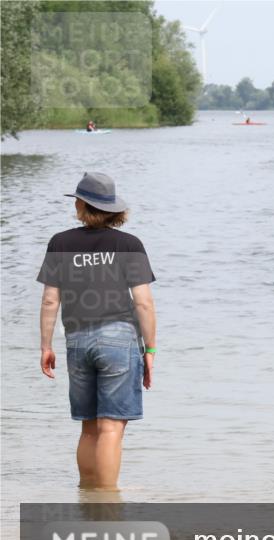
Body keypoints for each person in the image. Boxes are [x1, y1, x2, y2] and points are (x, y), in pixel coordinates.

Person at [37, 172, 157, 490]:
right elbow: (143, 303)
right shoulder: (129, 244)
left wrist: (45, 346)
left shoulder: (60, 242)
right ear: (113, 209)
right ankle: (107, 502)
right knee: (112, 428)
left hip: (76, 339)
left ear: (80, 204)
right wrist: (151, 349)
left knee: (89, 428)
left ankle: (87, 497)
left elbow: (51, 299)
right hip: (119, 340)